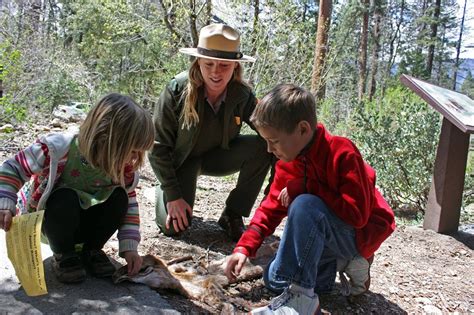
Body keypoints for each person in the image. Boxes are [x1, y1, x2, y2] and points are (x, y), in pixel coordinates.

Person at [224, 84, 396, 314]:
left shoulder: (342, 152)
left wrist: (307, 187)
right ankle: (338, 266)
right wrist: (244, 248)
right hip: (325, 239)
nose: (268, 149)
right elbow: (271, 207)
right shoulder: (288, 158)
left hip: (357, 235)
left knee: (304, 204)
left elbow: (357, 215)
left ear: (303, 130)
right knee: (275, 279)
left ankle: (303, 297)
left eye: (273, 141)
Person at [0, 93, 154, 284]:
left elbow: (129, 205)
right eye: (132, 151)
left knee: (120, 198)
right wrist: (6, 202)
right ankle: (64, 254)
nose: (135, 159)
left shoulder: (122, 169)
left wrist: (130, 247)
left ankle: (92, 250)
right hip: (52, 222)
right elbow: (12, 168)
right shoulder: (57, 149)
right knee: (64, 197)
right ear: (106, 139)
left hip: (85, 224)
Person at [149, 23, 272, 241]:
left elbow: (273, 133)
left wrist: (278, 187)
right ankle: (170, 198)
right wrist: (174, 195)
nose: (215, 72)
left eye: (224, 65)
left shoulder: (242, 95)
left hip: (218, 157)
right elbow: (157, 148)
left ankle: (233, 214)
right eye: (209, 64)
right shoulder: (176, 90)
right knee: (173, 228)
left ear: (235, 66)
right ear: (198, 62)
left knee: (263, 145)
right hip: (182, 163)